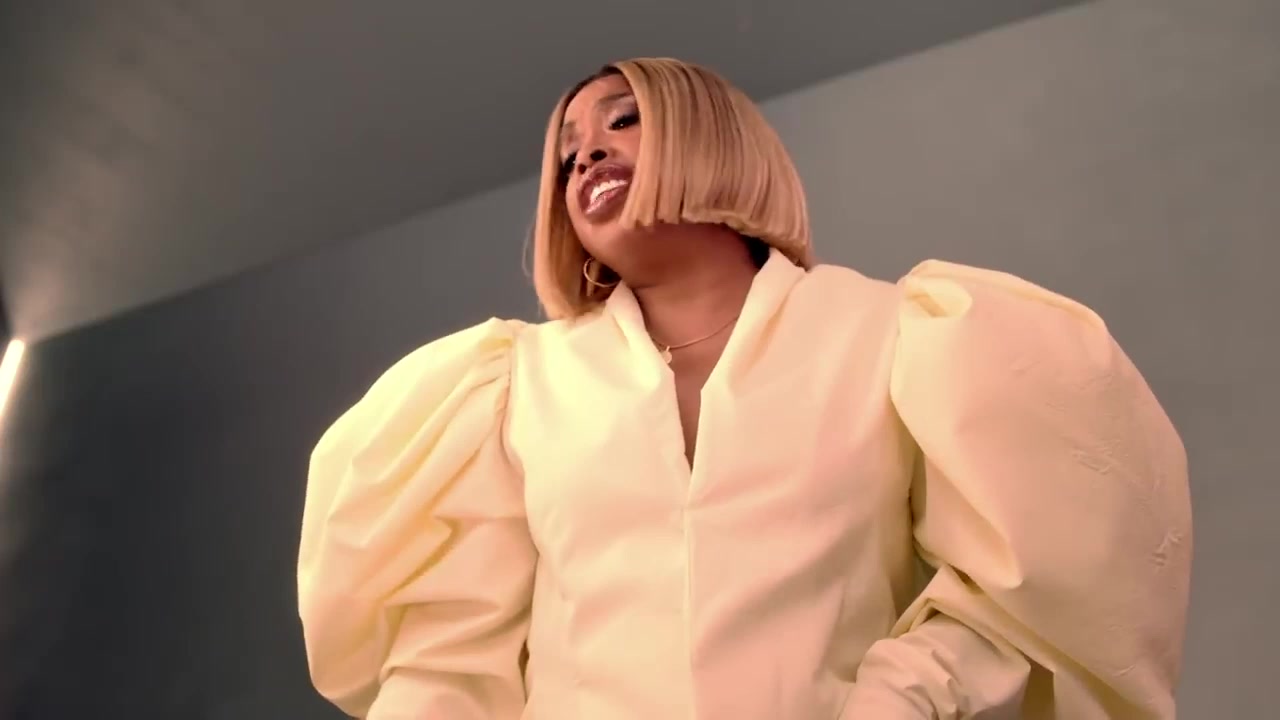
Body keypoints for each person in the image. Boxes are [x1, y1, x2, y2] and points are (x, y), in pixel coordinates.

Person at [296, 57, 1192, 719]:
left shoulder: (894, 335)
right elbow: (452, 662)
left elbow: (1017, 588)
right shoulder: (510, 385)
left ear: (710, 136)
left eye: (621, 122)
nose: (586, 155)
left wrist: (898, 700)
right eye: (566, 156)